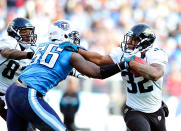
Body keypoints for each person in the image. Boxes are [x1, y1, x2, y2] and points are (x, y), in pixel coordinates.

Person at [5, 20, 127, 131]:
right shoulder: (69, 53)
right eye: (72, 35)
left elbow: (48, 67)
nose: (75, 39)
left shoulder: (42, 46)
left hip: (12, 91)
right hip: (28, 94)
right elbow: (98, 72)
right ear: (64, 36)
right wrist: (123, 65)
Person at [78, 24, 168, 131]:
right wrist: (78, 50)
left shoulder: (155, 54)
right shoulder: (122, 53)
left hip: (155, 110)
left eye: (133, 39)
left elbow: (156, 73)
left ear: (144, 41)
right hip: (134, 109)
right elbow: (100, 60)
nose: (129, 41)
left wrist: (132, 64)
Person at [0, 17, 37, 121]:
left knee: (24, 126)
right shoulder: (9, 41)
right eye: (24, 32)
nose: (28, 35)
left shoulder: (32, 49)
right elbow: (6, 52)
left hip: (6, 97)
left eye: (30, 32)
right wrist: (28, 55)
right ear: (14, 33)